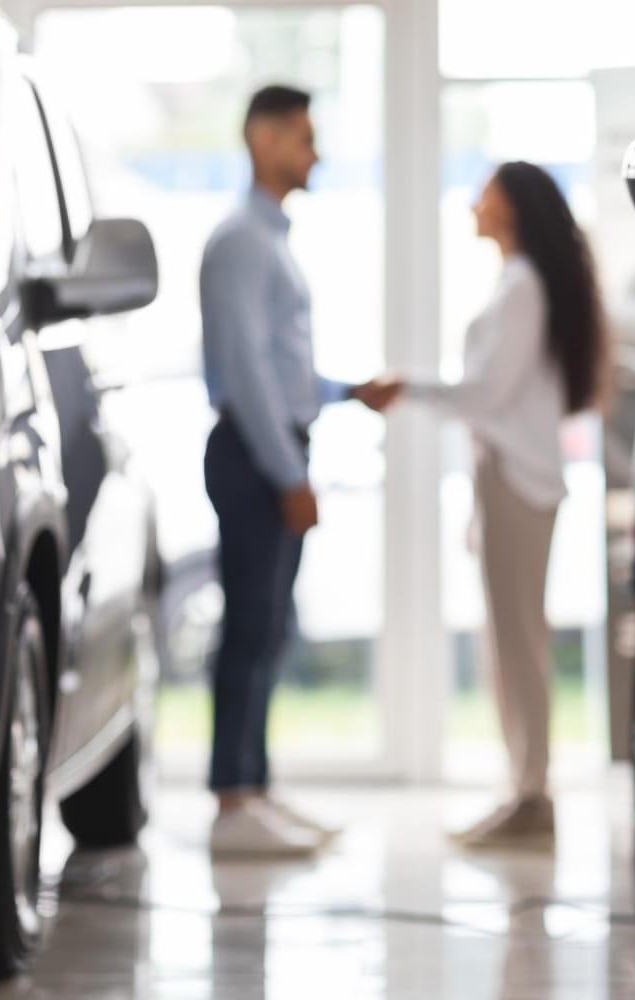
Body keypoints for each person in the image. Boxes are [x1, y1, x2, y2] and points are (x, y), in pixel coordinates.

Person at [371, 162, 608, 849]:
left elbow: (484, 397)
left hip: (518, 479)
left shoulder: (523, 287)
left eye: (486, 193)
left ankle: (532, 794)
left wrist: (405, 389)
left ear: (511, 208)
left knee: (518, 642)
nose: (474, 203)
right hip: (508, 478)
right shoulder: (520, 283)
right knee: (510, 639)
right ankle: (524, 786)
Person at [199, 84, 395, 857]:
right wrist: (289, 475)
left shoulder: (269, 237)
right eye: (303, 138)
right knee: (250, 626)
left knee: (268, 625)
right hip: (255, 454)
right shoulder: (241, 240)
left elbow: (279, 369)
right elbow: (246, 377)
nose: (314, 154)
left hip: (271, 445)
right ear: (263, 138)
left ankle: (255, 790)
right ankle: (232, 802)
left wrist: (348, 392)